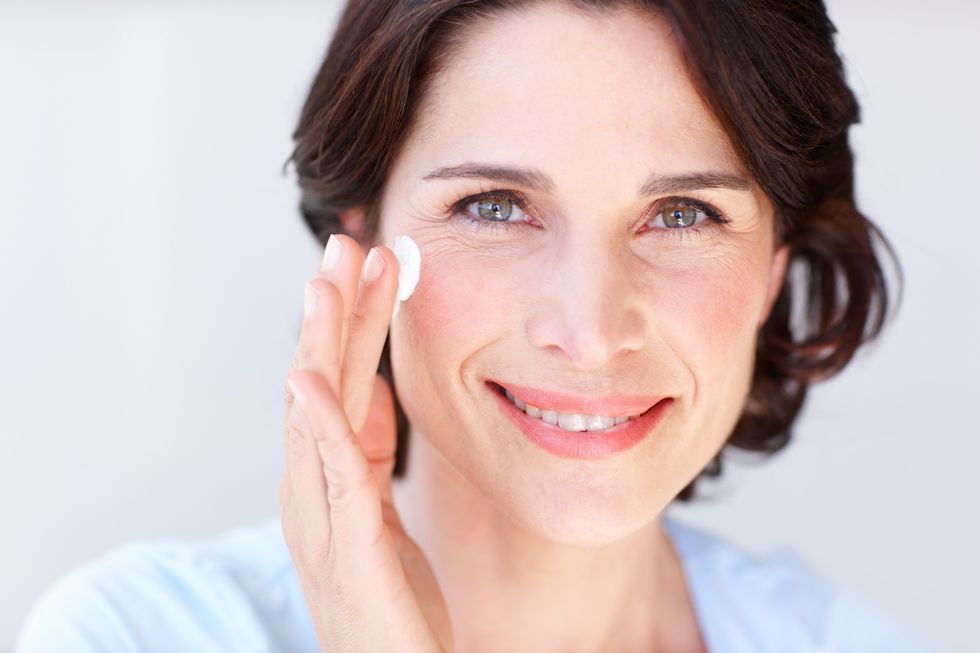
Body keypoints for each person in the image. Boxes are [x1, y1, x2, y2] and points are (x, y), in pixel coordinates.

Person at [17, 1, 940, 651]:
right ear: (359, 245)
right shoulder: (131, 634)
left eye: (682, 214)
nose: (589, 332)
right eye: (495, 206)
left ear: (774, 267)